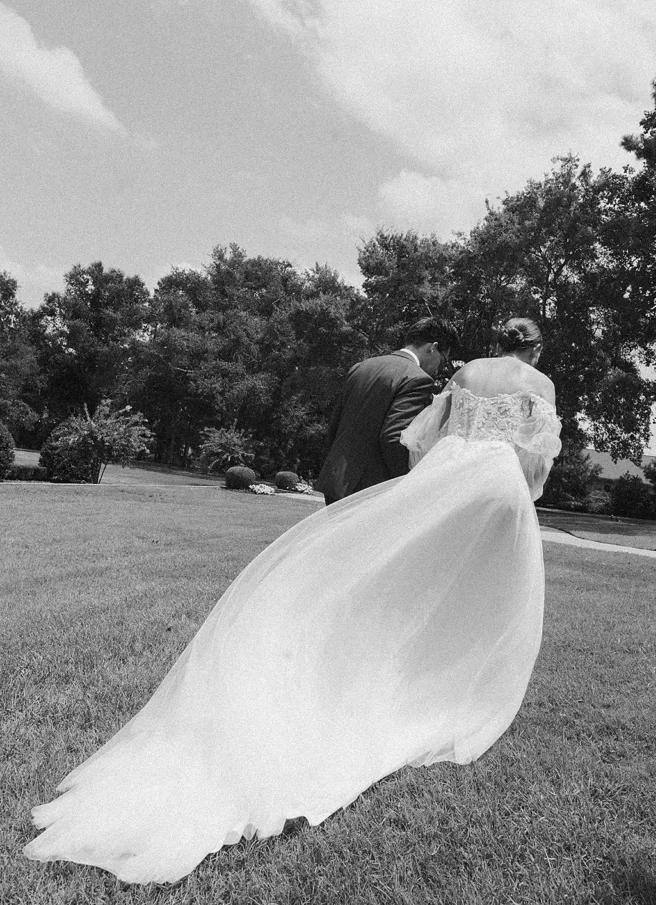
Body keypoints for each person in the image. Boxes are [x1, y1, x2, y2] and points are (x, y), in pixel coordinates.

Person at [24, 316, 560, 886]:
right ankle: (438, 673)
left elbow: (427, 439)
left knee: (394, 578)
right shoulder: (541, 385)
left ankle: (391, 656)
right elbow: (536, 460)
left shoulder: (466, 372)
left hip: (444, 477)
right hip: (498, 485)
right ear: (535, 347)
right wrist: (515, 491)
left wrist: (420, 494)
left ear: (497, 340)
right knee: (476, 591)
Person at [316, 317, 459, 504]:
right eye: (442, 360)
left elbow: (335, 425)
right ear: (433, 347)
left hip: (336, 482)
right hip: (371, 489)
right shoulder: (417, 379)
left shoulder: (361, 367)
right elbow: (393, 438)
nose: (438, 369)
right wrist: (408, 484)